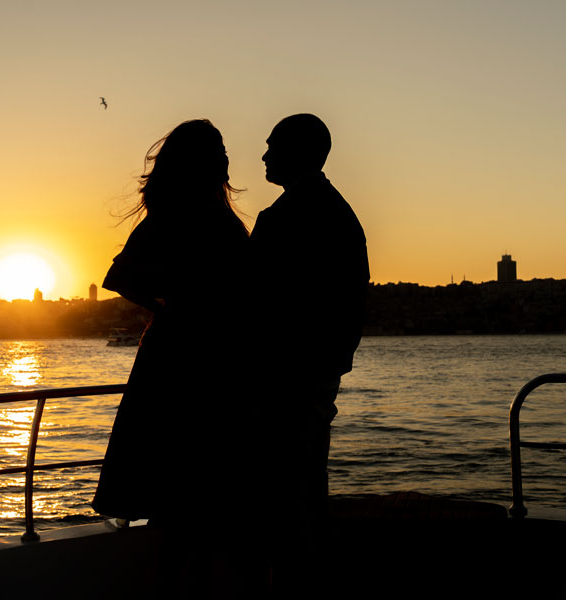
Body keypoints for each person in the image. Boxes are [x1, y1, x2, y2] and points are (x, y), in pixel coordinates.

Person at [90, 119, 254, 594]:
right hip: (200, 363)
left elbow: (122, 276)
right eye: (219, 148)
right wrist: (178, 306)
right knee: (196, 492)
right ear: (202, 159)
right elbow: (119, 276)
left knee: (183, 493)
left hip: (180, 357)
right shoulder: (192, 213)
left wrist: (168, 306)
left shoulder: (175, 212)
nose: (227, 156)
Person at [249, 113, 369, 593]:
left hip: (283, 382)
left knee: (285, 502)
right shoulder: (338, 213)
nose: (263, 154)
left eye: (271, 145)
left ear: (297, 151)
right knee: (305, 492)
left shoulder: (286, 217)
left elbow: (252, 300)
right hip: (315, 378)